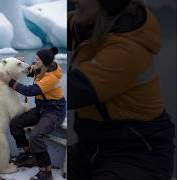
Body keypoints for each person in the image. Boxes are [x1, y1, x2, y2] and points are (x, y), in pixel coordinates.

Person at [67, 0, 175, 180]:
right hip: (92, 148)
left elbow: (74, 91)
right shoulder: (89, 23)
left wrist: (16, 79)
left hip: (137, 154)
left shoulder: (127, 50)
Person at [0, 47, 66, 180]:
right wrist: (18, 63)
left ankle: (46, 171)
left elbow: (29, 91)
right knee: (15, 123)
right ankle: (27, 154)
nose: (35, 61)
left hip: (54, 111)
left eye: (37, 60)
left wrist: (9, 81)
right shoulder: (41, 68)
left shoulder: (51, 78)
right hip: (41, 108)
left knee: (36, 135)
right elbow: (29, 71)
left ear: (45, 63)